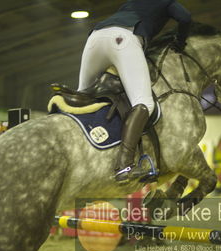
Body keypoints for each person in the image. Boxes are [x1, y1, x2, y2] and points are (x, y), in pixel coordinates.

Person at [77, 0, 192, 183]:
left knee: (82, 95)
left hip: (94, 38)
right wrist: (180, 41)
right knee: (144, 103)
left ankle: (78, 148)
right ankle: (124, 166)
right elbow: (185, 18)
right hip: (123, 38)